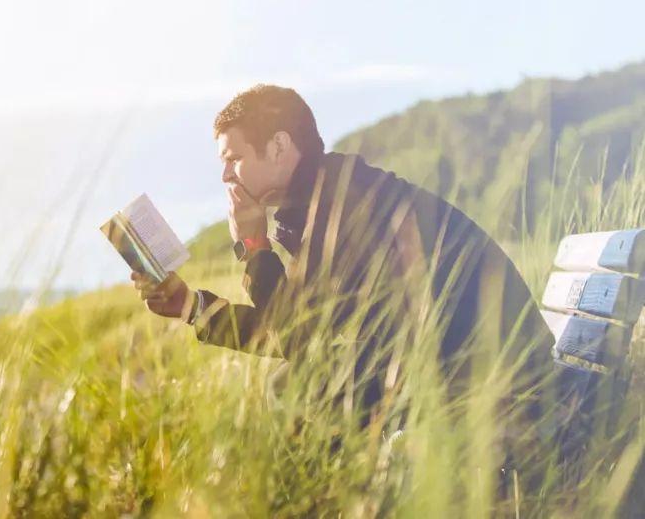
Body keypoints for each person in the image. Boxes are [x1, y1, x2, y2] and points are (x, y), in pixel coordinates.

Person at [131, 84, 554, 452]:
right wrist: (189, 305)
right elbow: (298, 329)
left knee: (296, 386)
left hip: (500, 387)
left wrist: (255, 246)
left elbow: (298, 338)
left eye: (233, 158)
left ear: (278, 147)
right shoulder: (324, 197)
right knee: (296, 381)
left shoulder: (343, 204)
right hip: (465, 369)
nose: (225, 175)